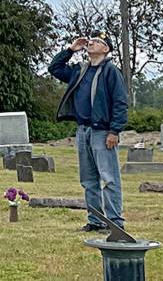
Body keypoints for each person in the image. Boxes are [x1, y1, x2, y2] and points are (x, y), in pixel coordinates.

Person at [49, 31, 129, 232]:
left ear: (106, 49)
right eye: (91, 40)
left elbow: (120, 103)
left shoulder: (111, 71)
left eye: (97, 41)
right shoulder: (80, 70)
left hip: (102, 132)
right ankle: (95, 220)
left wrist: (114, 131)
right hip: (83, 130)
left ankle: (115, 222)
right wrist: (70, 49)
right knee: (88, 180)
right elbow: (55, 69)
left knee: (109, 178)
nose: (91, 43)